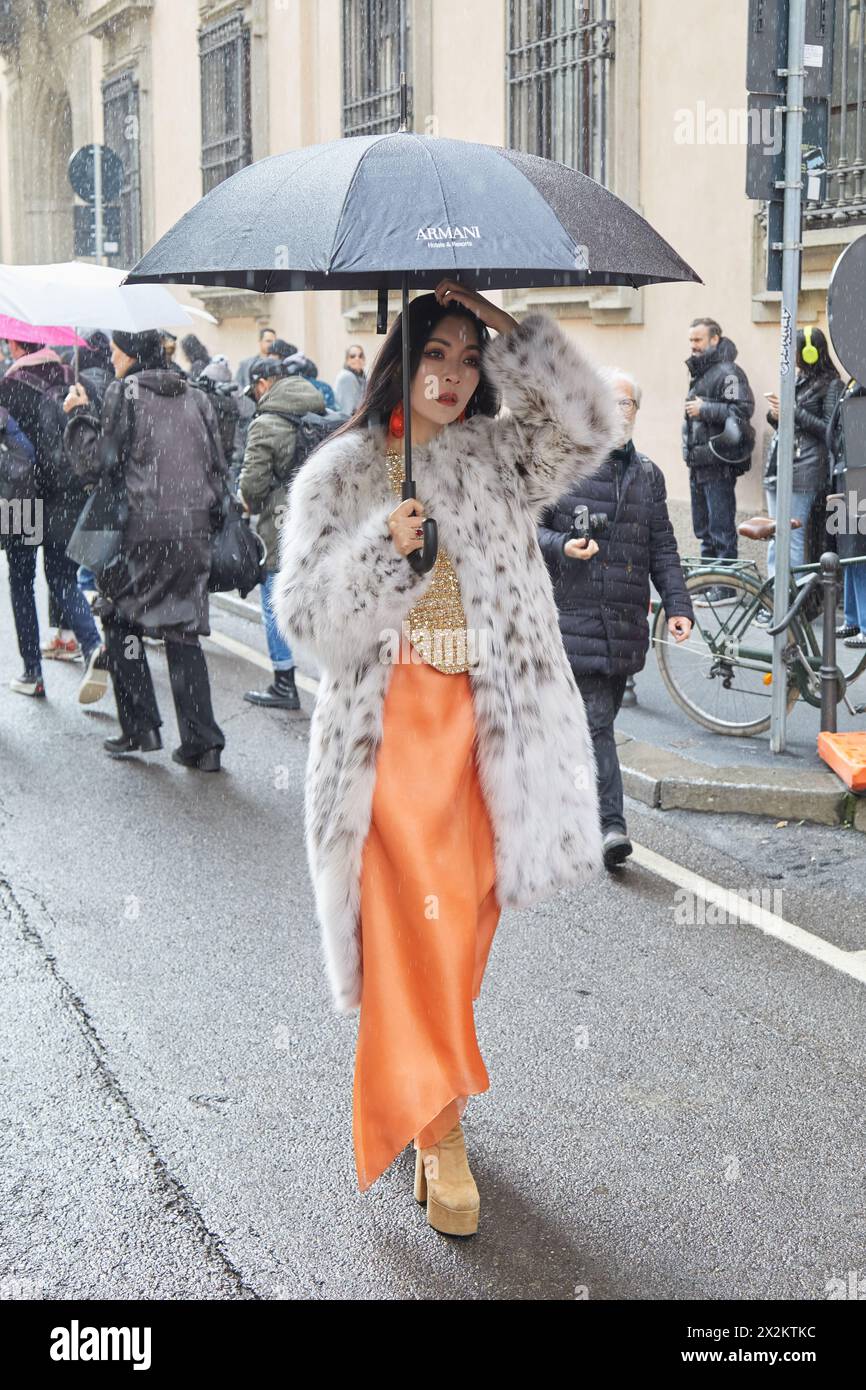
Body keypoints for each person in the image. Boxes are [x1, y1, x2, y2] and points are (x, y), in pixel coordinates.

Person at [274, 277, 618, 1235]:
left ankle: (427, 1106)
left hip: (490, 730)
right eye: (439, 354)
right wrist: (384, 553)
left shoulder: (500, 457)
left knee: (461, 933)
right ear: (403, 359)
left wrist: (514, 333)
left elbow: (591, 427)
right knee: (415, 932)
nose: (456, 377)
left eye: (470, 361)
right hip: (387, 739)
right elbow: (305, 619)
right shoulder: (340, 474)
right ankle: (440, 1133)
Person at [538, 369, 694, 868]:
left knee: (593, 724)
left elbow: (663, 548)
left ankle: (566, 801)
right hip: (574, 619)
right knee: (598, 723)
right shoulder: (564, 466)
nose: (617, 412)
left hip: (625, 625)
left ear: (634, 414)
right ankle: (612, 826)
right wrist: (563, 545)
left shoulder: (648, 475)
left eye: (626, 405)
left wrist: (678, 605)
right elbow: (526, 532)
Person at [63, 329, 227, 770]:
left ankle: (141, 727)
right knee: (182, 628)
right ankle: (203, 741)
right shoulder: (196, 397)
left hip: (144, 530)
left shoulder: (125, 392)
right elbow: (218, 466)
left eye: (116, 352)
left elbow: (101, 462)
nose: (113, 359)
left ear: (131, 354)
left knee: (119, 618)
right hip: (193, 529)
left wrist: (79, 417)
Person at [1, 339, 106, 700]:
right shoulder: (73, 379)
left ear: (16, 345)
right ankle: (93, 646)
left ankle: (33, 672)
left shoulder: (8, 386)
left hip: (20, 504)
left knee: (21, 583)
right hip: (66, 499)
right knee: (63, 578)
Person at [237, 355, 326, 708]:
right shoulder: (320, 407)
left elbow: (253, 487)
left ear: (262, 384)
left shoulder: (267, 422)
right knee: (319, 602)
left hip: (280, 524)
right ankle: (330, 680)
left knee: (275, 600)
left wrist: (248, 497)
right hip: (320, 518)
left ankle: (284, 681)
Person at [762, 327, 842, 597]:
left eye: (794, 350)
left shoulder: (832, 384)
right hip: (781, 465)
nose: (791, 356)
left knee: (793, 537)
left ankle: (792, 601)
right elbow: (787, 424)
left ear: (809, 352)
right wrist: (776, 415)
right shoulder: (798, 379)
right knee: (775, 536)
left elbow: (828, 430)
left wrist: (792, 411)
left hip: (806, 470)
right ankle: (776, 596)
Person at [683, 317, 755, 601]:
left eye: (698, 340)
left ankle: (725, 588)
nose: (693, 346)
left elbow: (741, 411)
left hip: (718, 462)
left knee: (721, 529)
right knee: (704, 529)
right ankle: (709, 584)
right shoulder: (703, 371)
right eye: (691, 341)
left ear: (715, 339)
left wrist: (705, 409)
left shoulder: (728, 373)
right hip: (699, 462)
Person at [827, 375, 866, 648]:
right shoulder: (851, 383)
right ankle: (852, 619)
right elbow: (834, 433)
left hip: (860, 474)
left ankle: (865, 624)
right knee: (848, 551)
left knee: (861, 553)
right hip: (845, 472)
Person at [235, 327, 277, 392]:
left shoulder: (278, 364)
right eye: (268, 341)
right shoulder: (246, 364)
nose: (272, 344)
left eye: (274, 342)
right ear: (260, 342)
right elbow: (238, 387)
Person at [333, 343, 367, 416]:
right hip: (347, 422)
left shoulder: (361, 376)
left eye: (360, 356)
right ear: (347, 360)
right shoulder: (347, 377)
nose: (357, 358)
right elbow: (347, 411)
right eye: (352, 356)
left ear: (364, 359)